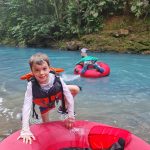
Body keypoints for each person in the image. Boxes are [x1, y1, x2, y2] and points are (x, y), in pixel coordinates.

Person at [17, 52, 80, 144]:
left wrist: (70, 115)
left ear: (49, 68)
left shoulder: (57, 78)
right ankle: (26, 120)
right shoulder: (31, 85)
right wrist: (25, 129)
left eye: (44, 69)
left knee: (75, 89)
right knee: (46, 124)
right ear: (32, 72)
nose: (41, 73)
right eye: (37, 70)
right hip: (44, 102)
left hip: (56, 94)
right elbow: (27, 105)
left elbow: (68, 95)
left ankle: (63, 108)